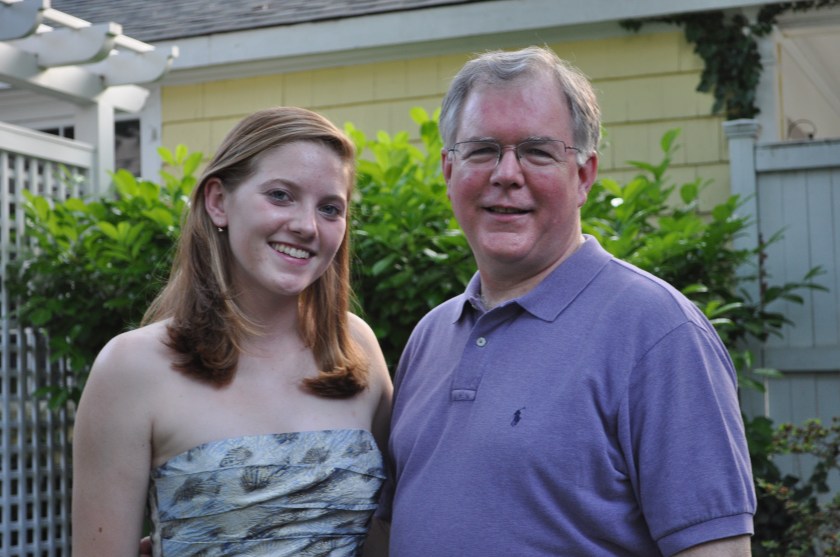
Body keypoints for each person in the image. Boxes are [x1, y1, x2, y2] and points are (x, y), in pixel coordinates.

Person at [377, 46, 756, 556]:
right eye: (482, 150)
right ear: (449, 170)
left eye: (537, 151)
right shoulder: (431, 337)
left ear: (583, 175)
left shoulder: (659, 333)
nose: (506, 173)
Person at [72, 106, 392, 557]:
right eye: (280, 195)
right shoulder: (130, 368)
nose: (306, 226)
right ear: (218, 202)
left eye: (329, 208)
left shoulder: (355, 347)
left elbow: (388, 531)